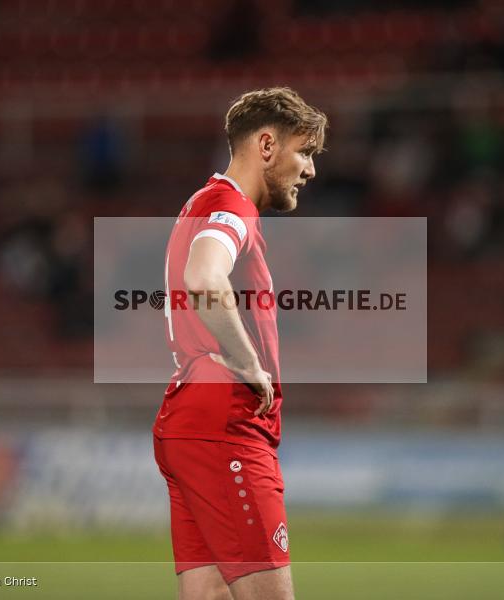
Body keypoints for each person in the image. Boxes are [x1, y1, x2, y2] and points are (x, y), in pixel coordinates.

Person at [153, 87, 327, 600]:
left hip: (189, 420)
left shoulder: (203, 203)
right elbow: (204, 279)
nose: (310, 169)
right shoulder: (232, 207)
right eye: (305, 151)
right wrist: (249, 364)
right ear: (267, 146)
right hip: (225, 424)